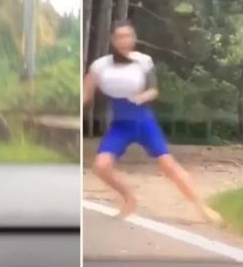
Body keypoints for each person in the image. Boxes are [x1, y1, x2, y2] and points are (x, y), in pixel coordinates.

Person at [83, 20, 222, 223]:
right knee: (101, 166)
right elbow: (86, 93)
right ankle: (128, 197)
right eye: (120, 37)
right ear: (113, 40)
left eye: (128, 36)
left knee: (168, 165)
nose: (124, 41)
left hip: (144, 122)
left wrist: (142, 97)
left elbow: (154, 90)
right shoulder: (100, 66)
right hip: (121, 125)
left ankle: (203, 208)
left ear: (134, 38)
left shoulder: (143, 61)